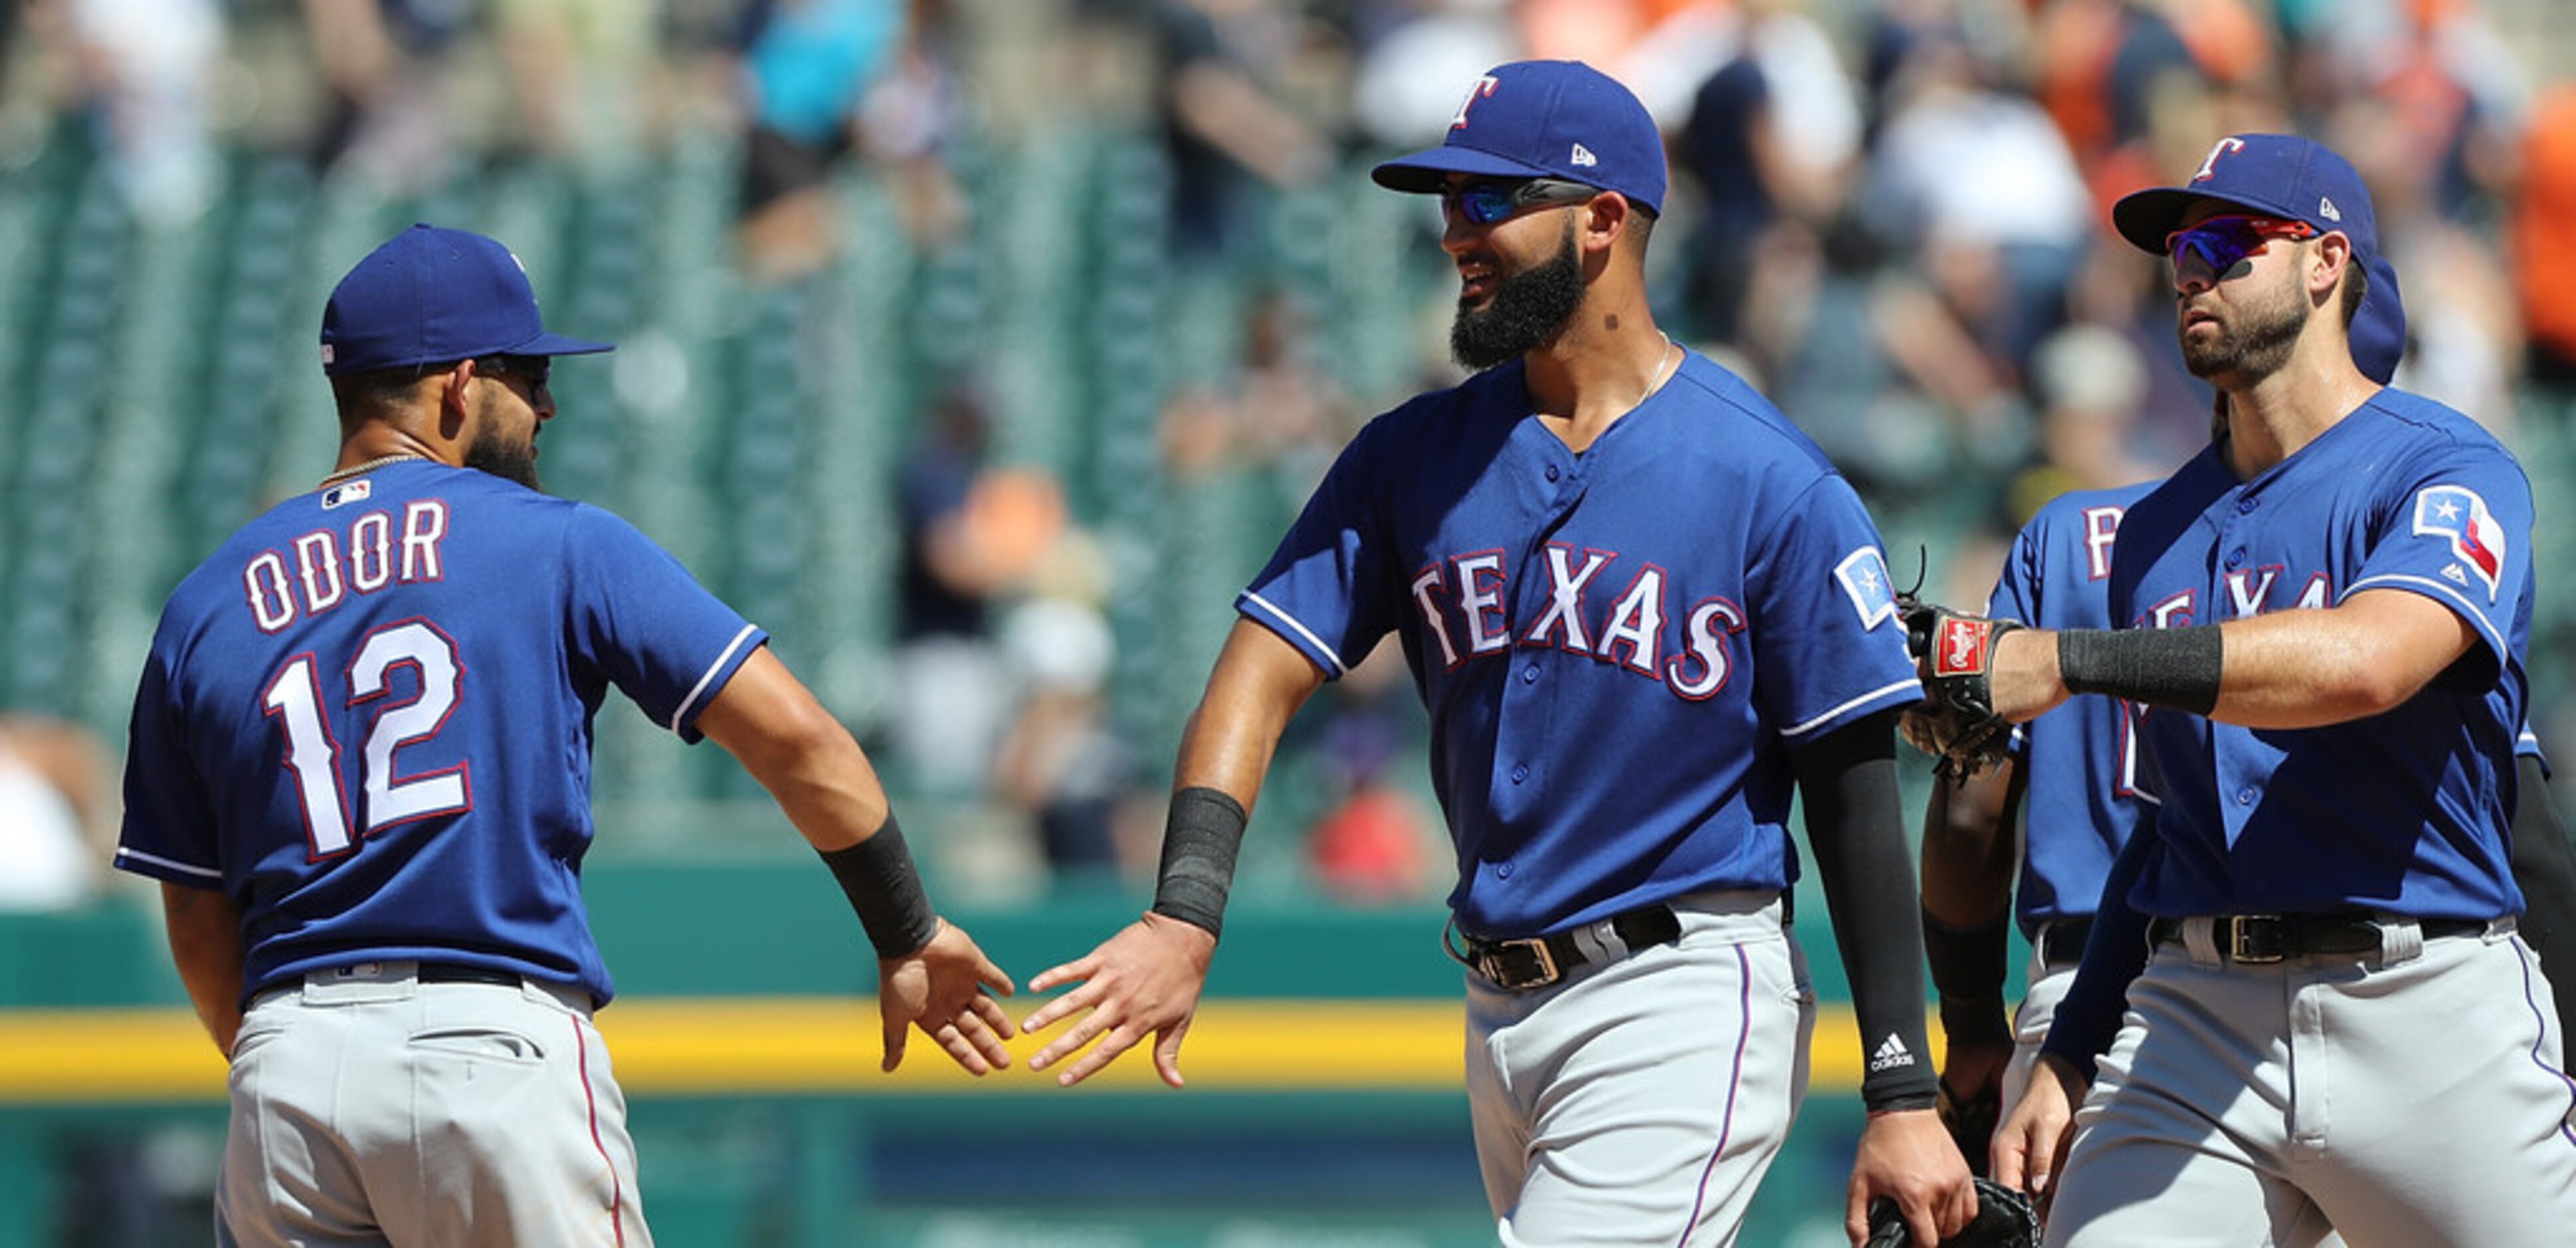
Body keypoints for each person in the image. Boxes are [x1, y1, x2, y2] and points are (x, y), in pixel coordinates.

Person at [1018, 60, 1976, 1247]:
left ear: (1603, 218)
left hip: (1676, 986)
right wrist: (1185, 909)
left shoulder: (1768, 482)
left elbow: (1850, 787)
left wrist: (1900, 1090)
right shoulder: (1411, 453)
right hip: (1495, 1006)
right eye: (1447, 204)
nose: (1455, 234)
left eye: (1489, 202)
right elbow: (1258, 669)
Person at [112, 224, 1018, 1247]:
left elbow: (193, 912)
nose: (546, 405)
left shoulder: (206, 603)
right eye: (529, 375)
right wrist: (907, 927)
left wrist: (302, 1060)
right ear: (458, 386)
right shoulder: (559, 542)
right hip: (490, 1049)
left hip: (285, 1063)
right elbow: (800, 741)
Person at [1958, 134, 2576, 1244]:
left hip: (2422, 991)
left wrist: (2070, 657)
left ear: (2325, 262)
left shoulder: (2444, 465)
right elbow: (2166, 827)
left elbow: (2365, 661)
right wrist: (2069, 1046)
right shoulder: (2150, 532)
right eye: (2178, 250)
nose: (2189, 269)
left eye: (2226, 243)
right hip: (2198, 1010)